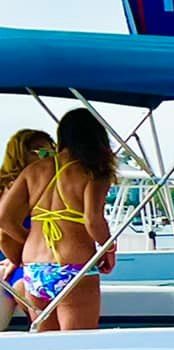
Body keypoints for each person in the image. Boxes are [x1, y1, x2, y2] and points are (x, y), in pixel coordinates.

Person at [0, 110, 116, 331]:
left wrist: (26, 243)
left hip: (35, 269)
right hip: (73, 267)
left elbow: (4, 218)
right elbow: (92, 221)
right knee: (78, 347)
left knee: (49, 348)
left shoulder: (34, 170)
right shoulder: (94, 171)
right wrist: (109, 249)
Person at [0, 128, 54, 328]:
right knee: (27, 288)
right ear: (20, 154)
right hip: (21, 261)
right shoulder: (17, 187)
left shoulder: (50, 185)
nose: (45, 156)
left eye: (49, 151)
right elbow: (4, 229)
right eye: (37, 151)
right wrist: (26, 252)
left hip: (22, 262)